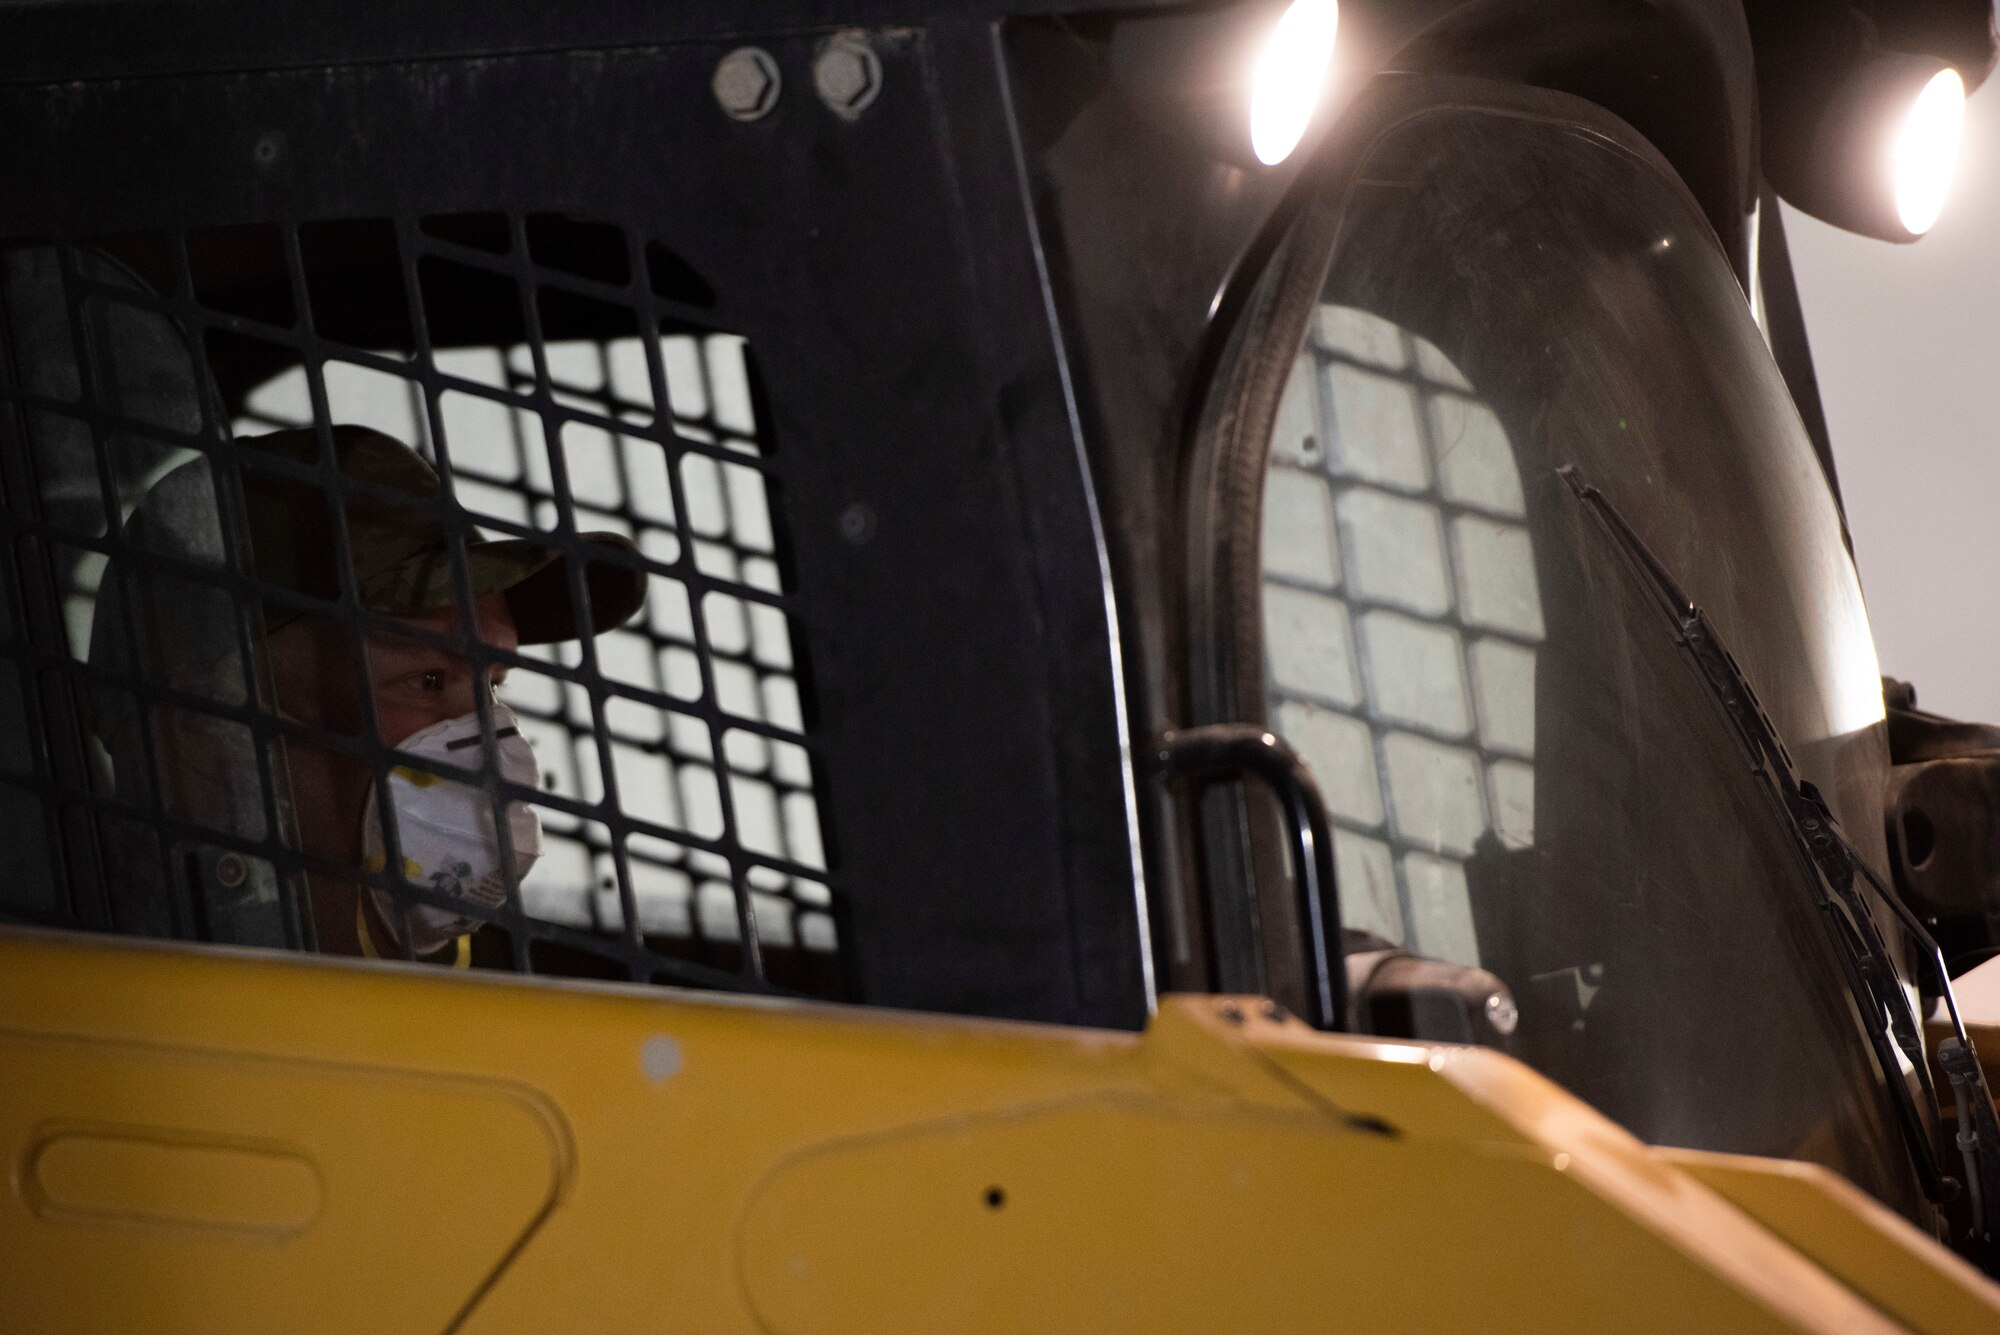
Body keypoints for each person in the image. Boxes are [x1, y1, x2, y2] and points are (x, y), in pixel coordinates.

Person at [89, 423, 645, 964]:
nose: (493, 739)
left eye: (492, 686)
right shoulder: (90, 983)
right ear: (203, 726)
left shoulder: (478, 1012)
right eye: (429, 682)